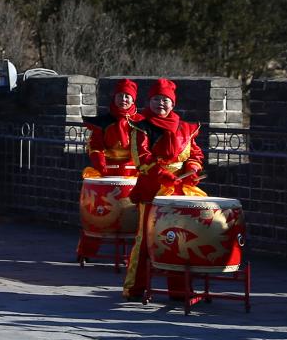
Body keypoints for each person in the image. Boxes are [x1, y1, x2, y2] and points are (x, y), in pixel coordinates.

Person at [122, 78, 206, 301]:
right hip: (152, 188)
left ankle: (180, 290)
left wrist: (192, 169)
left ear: (173, 103)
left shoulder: (186, 128)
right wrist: (161, 174)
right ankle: (134, 288)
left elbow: (195, 154)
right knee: (145, 240)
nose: (161, 103)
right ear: (149, 101)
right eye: (156, 99)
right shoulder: (141, 126)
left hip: (179, 190)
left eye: (165, 100)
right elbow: (141, 158)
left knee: (179, 239)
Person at [77, 78, 142, 262]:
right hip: (107, 172)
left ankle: (137, 256)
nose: (124, 100)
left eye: (127, 96)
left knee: (137, 217)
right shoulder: (104, 122)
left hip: (133, 173)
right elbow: (95, 145)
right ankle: (87, 251)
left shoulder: (142, 122)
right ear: (114, 98)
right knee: (98, 214)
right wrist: (99, 161)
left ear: (133, 99)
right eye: (120, 96)